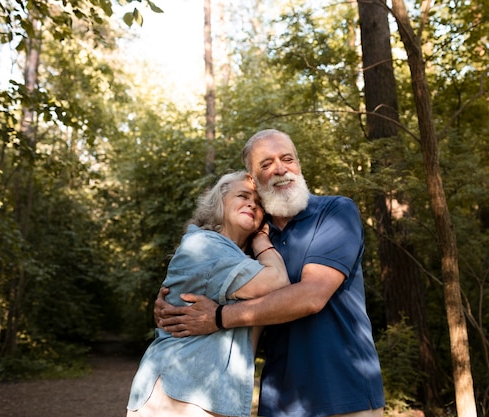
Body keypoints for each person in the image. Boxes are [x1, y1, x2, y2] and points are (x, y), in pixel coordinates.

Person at [156, 129, 385, 417]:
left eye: (287, 159)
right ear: (252, 178)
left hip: (344, 392)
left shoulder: (335, 211)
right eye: (266, 164)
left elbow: (312, 296)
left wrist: (217, 317)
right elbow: (203, 272)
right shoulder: (254, 238)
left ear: (298, 165)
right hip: (279, 400)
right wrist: (168, 304)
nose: (280, 169)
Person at [126, 170, 290, 417]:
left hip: (204, 395)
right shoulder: (205, 245)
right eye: (243, 196)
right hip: (181, 393)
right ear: (219, 203)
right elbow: (278, 282)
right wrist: (262, 241)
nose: (251, 204)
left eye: (258, 203)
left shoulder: (238, 260)